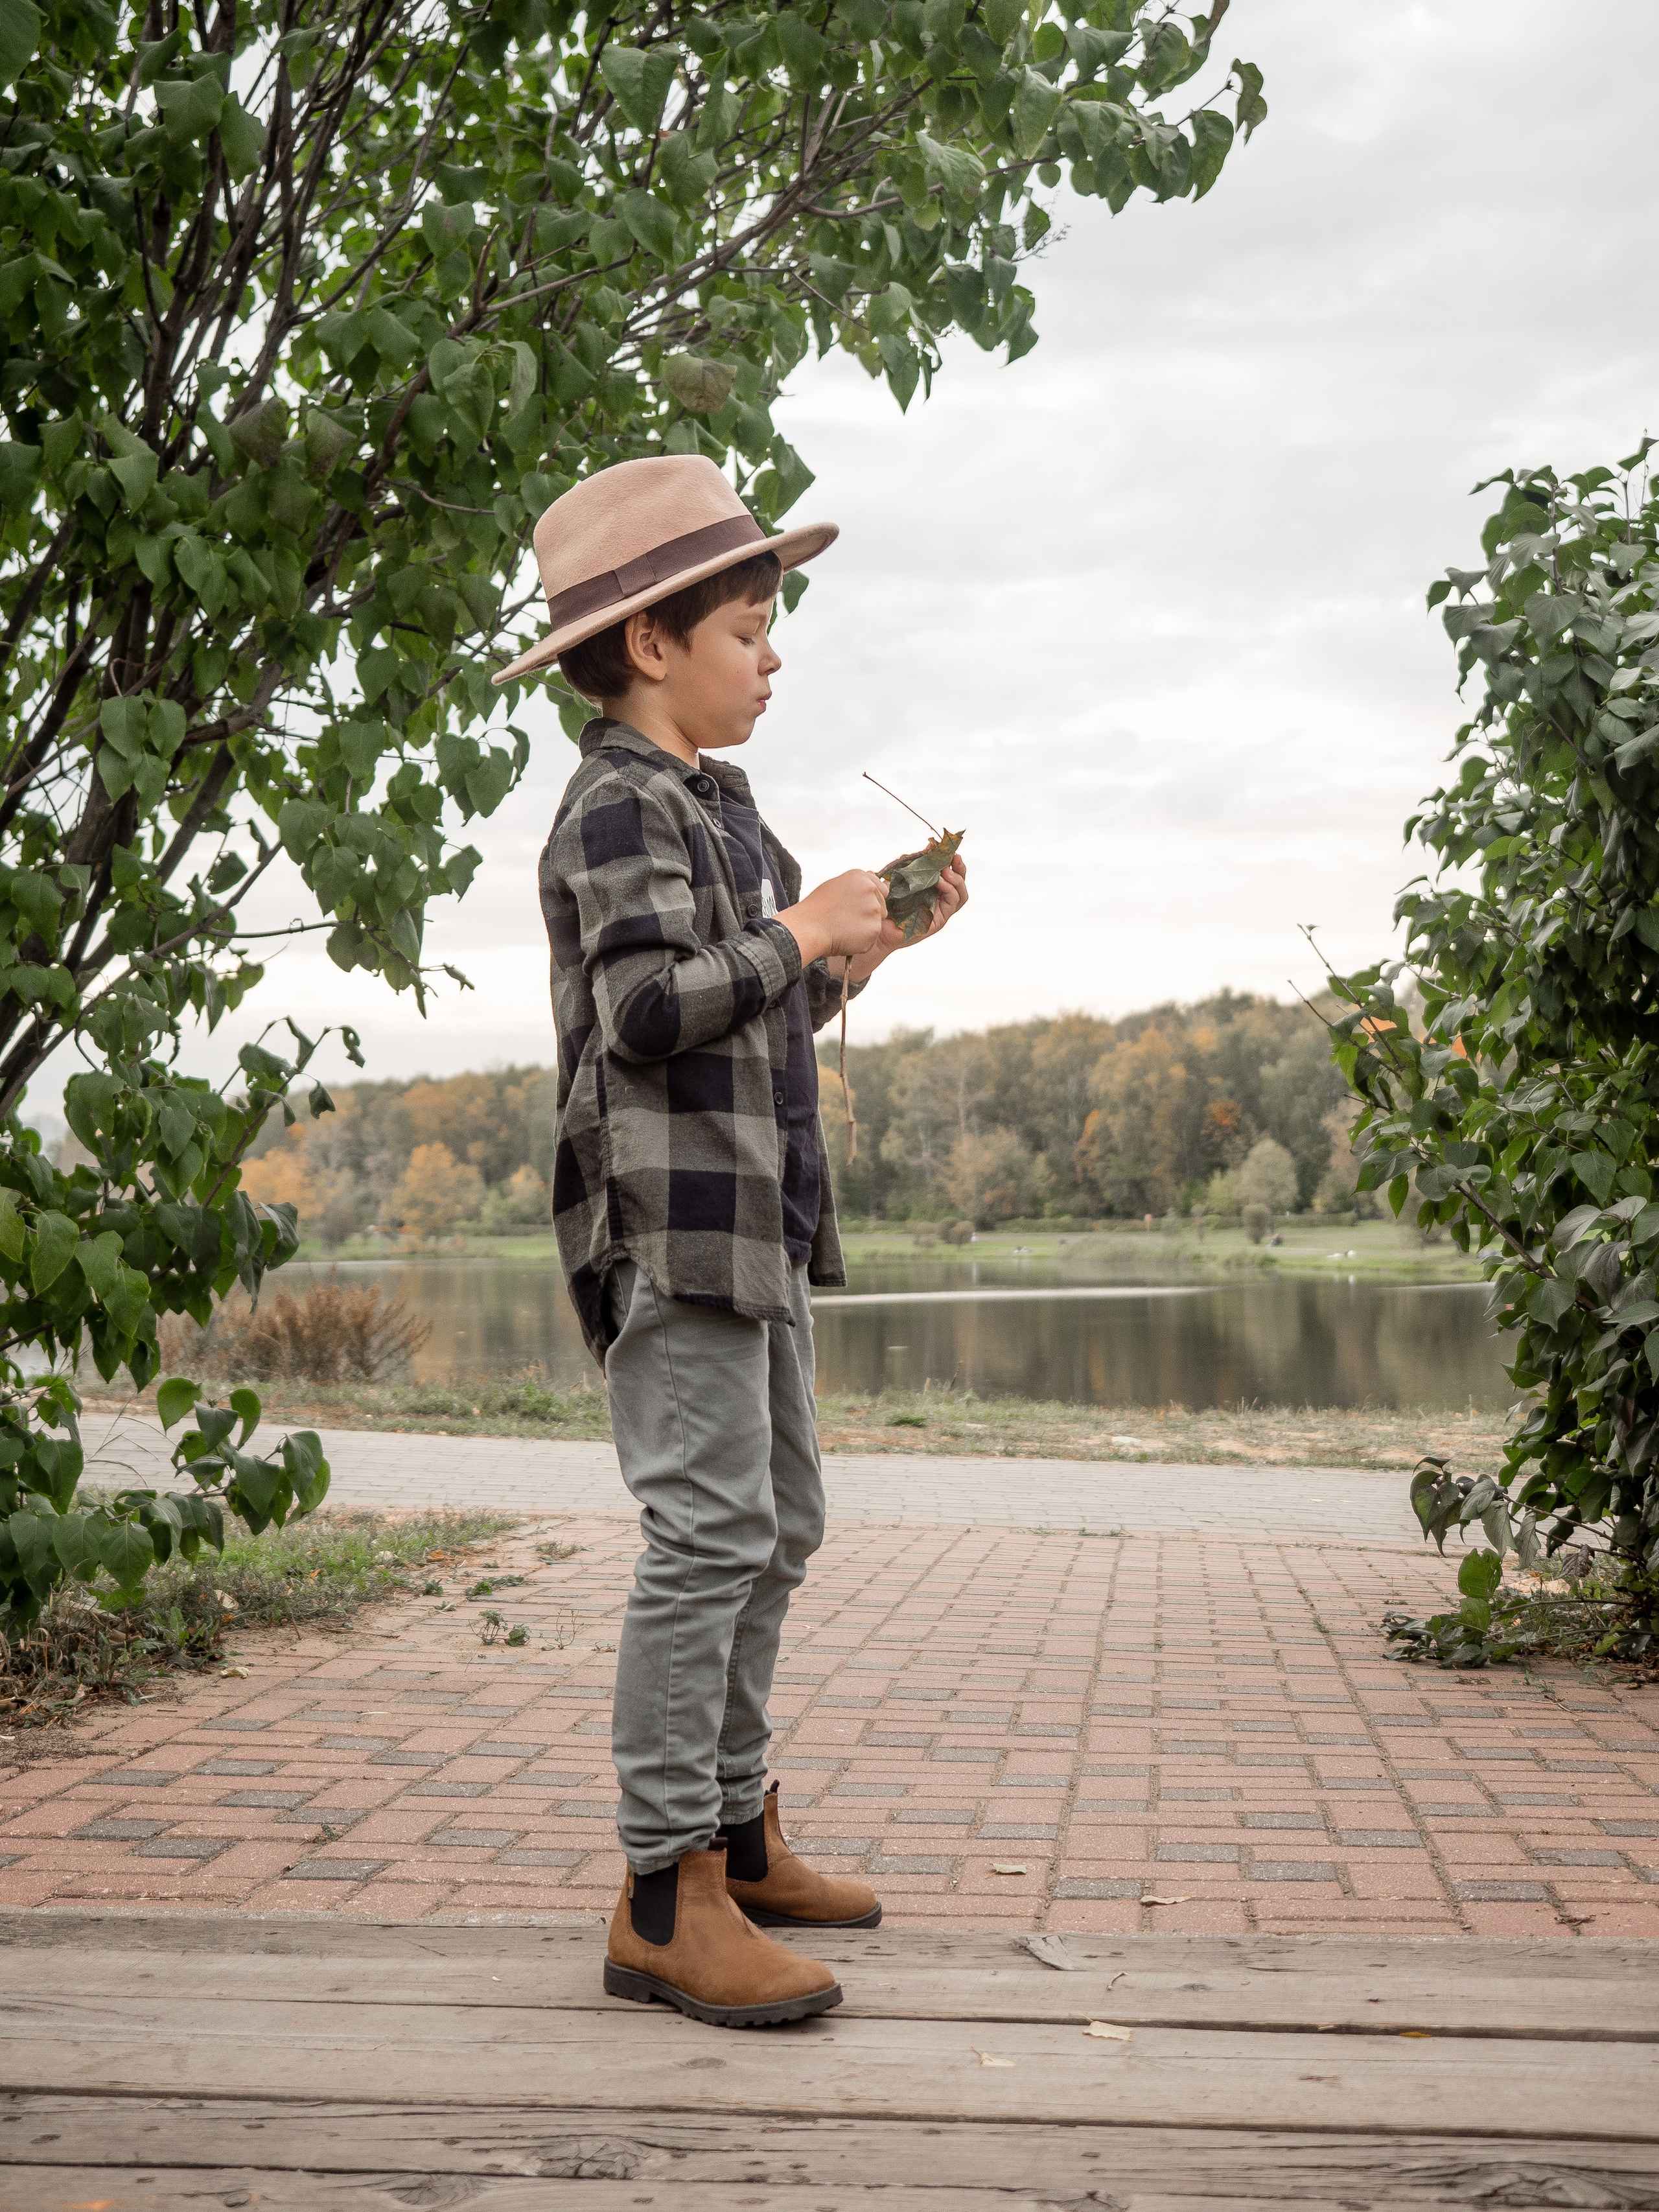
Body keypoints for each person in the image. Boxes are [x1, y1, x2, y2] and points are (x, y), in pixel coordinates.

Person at [495, 454, 967, 2027]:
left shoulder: (719, 812)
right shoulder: (614, 803)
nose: (773, 655)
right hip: (671, 1234)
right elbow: (638, 1015)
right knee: (704, 1539)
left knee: (779, 1527)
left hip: (753, 1229)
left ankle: (740, 1833)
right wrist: (796, 931)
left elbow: (747, 1010)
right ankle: (660, 1892)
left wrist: (860, 946)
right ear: (651, 644)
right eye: (753, 628)